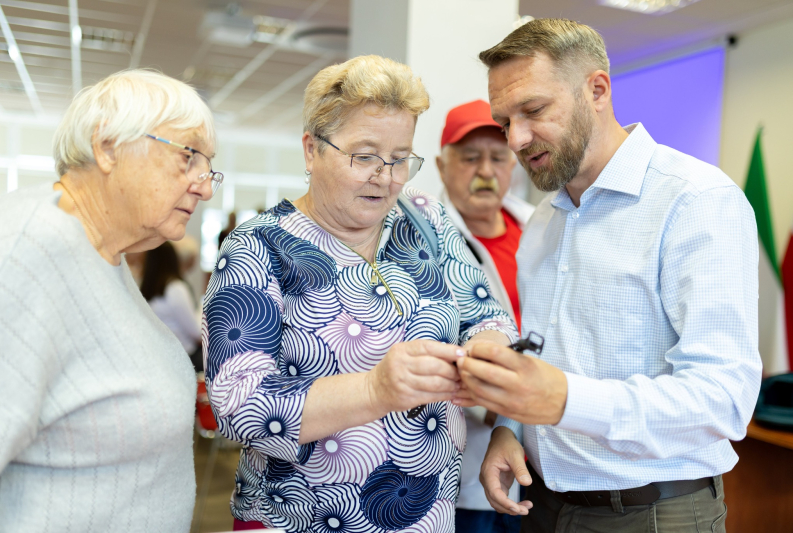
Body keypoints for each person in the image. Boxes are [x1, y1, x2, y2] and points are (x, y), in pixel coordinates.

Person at [454, 18, 762, 532]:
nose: (517, 139)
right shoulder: (544, 222)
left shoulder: (696, 201)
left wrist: (566, 400)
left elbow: (723, 400)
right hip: (542, 506)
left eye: (533, 110)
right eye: (505, 119)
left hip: (654, 512)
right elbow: (543, 358)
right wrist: (510, 427)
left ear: (597, 89)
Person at [202, 55, 519, 532]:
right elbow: (238, 406)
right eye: (365, 156)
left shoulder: (424, 219)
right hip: (299, 520)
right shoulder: (258, 246)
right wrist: (376, 389)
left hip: (427, 518)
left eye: (399, 159)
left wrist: (488, 357)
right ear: (312, 150)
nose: (386, 177)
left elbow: (489, 317)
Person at [0, 69, 223, 532]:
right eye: (188, 156)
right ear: (108, 147)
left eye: (208, 166)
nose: (205, 185)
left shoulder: (106, 255)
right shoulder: (24, 250)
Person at [435, 100, 534, 533]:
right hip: (468, 446)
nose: (486, 171)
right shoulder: (422, 240)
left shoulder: (540, 227)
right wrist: (495, 405)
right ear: (441, 166)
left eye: (497, 158)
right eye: (470, 158)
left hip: (543, 445)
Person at [142, 241, 203, 372]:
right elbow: (197, 333)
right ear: (173, 258)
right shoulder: (175, 288)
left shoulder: (146, 289)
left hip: (162, 355)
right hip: (186, 356)